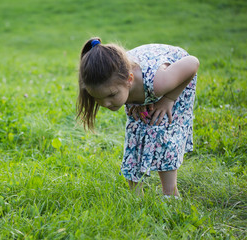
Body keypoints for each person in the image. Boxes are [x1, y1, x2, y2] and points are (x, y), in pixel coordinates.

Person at [76, 37, 199, 197]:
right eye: (98, 98)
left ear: (129, 80)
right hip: (137, 83)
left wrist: (168, 99)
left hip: (178, 77)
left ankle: (170, 193)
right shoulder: (112, 79)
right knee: (135, 133)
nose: (106, 103)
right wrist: (135, 103)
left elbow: (192, 63)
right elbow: (113, 90)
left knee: (163, 132)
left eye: (111, 95)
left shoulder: (159, 83)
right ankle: (136, 197)